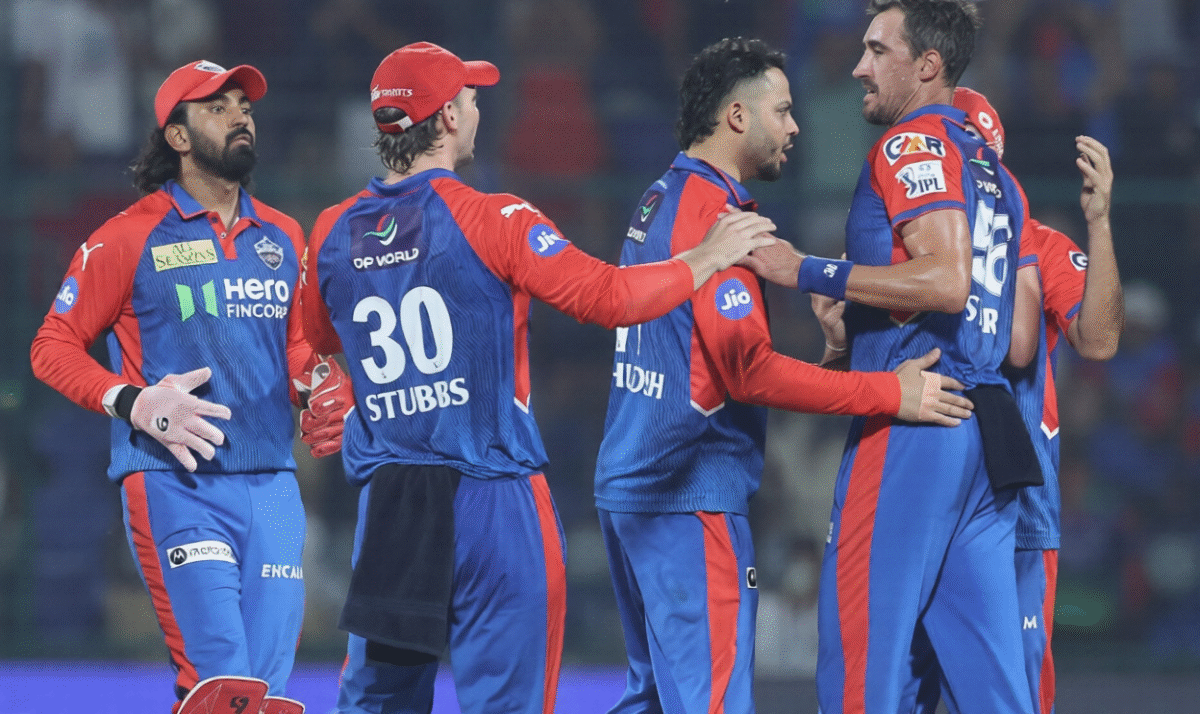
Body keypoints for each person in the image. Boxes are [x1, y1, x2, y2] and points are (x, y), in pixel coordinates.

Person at [297, 40, 779, 714]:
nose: (477, 110)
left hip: (393, 504)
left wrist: (338, 401)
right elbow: (611, 299)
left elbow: (313, 343)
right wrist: (707, 256)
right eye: (469, 98)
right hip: (495, 501)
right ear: (447, 119)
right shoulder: (495, 218)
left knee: (377, 704)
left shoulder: (331, 230)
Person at [594, 35, 977, 714]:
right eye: (782, 110)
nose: (795, 127)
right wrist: (890, 391)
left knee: (652, 699)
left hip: (632, 484)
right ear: (737, 116)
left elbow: (706, 365)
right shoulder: (721, 223)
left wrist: (832, 358)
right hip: (688, 499)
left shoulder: (662, 196)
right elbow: (749, 374)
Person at [743, 0, 1039, 713]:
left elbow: (944, 281)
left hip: (913, 427)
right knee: (994, 690)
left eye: (878, 50)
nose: (859, 67)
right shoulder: (998, 177)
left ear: (928, 65)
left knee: (862, 660)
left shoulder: (912, 143)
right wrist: (854, 328)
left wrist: (805, 269)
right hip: (986, 431)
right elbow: (1020, 341)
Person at [29, 60, 352, 713]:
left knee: (269, 697)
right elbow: (51, 346)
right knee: (222, 688)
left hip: (273, 488)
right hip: (175, 484)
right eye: (217, 107)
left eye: (244, 107)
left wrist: (322, 384)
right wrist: (134, 402)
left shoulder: (283, 235)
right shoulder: (128, 237)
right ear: (177, 137)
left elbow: (295, 346)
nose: (240, 116)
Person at [902, 88, 1124, 714]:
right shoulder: (901, 242)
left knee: (1015, 698)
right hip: (917, 502)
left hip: (1016, 509)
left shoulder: (1040, 243)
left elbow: (1099, 341)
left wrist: (1100, 223)